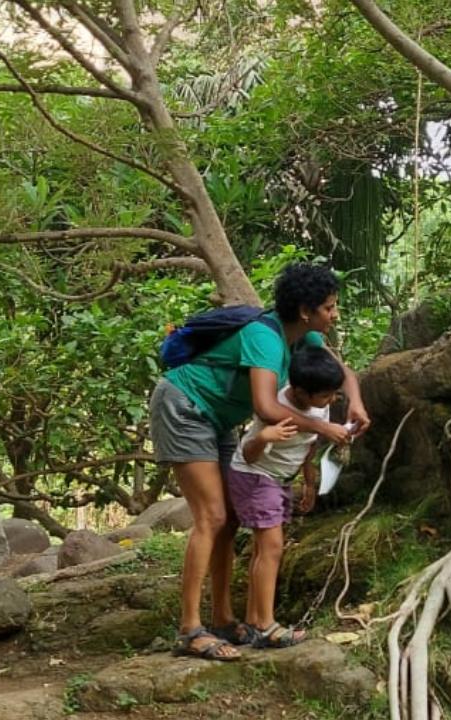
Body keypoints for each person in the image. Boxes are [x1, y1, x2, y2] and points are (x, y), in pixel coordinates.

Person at [148, 262, 370, 660]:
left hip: (217, 418)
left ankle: (221, 618)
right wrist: (323, 429)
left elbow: (344, 373)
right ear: (306, 310)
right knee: (211, 517)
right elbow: (266, 407)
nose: (334, 314)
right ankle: (189, 629)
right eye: (329, 307)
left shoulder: (304, 338)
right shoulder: (265, 338)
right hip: (184, 407)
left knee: (230, 520)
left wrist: (354, 400)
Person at [228, 346, 343, 647]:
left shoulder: (321, 405)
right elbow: (250, 456)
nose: (331, 401)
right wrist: (263, 437)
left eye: (334, 394)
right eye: (326, 396)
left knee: (262, 550)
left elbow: (310, 444)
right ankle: (266, 626)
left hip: (280, 478)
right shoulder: (275, 408)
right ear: (301, 393)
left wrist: (309, 481)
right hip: (254, 475)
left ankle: (255, 620)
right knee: (272, 547)